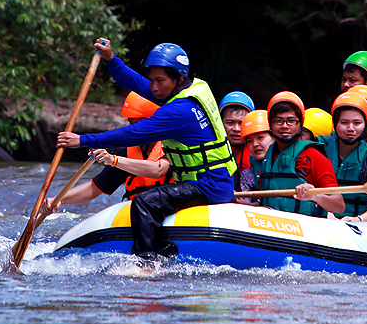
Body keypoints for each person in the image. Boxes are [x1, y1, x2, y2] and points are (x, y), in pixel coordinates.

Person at [56, 38, 237, 261]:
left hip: (209, 185)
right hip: (209, 181)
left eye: (160, 80)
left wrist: (83, 140)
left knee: (145, 202)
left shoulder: (179, 110)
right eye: (153, 80)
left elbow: (132, 134)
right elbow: (137, 83)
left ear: (178, 78)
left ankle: (147, 262)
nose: (154, 87)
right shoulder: (191, 89)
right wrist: (111, 59)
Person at [42, 92, 172, 215]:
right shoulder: (128, 152)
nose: (134, 129)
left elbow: (158, 170)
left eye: (137, 124)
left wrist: (113, 160)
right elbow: (94, 188)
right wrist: (59, 199)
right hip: (141, 212)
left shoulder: (172, 144)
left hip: (169, 208)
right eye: (131, 123)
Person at [250, 92, 344, 216]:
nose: (284, 126)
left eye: (291, 121)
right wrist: (235, 200)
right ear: (270, 124)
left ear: (300, 124)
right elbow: (264, 203)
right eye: (278, 121)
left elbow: (339, 206)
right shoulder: (268, 158)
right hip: (273, 225)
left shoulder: (315, 158)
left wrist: (315, 196)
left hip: (304, 226)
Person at [319, 92, 367, 222]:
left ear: (365, 125)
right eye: (344, 122)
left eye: (357, 123)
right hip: (326, 217)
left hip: (361, 219)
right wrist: (328, 215)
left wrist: (358, 220)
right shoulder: (321, 151)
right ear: (335, 124)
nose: (350, 128)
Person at [219, 91, 255, 192]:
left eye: (242, 123)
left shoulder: (260, 149)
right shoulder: (212, 151)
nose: (236, 129)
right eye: (230, 123)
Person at [237, 109, 272, 201]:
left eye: (260, 137)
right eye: (249, 141)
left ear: (274, 137)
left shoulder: (294, 164)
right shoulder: (248, 174)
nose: (254, 144)